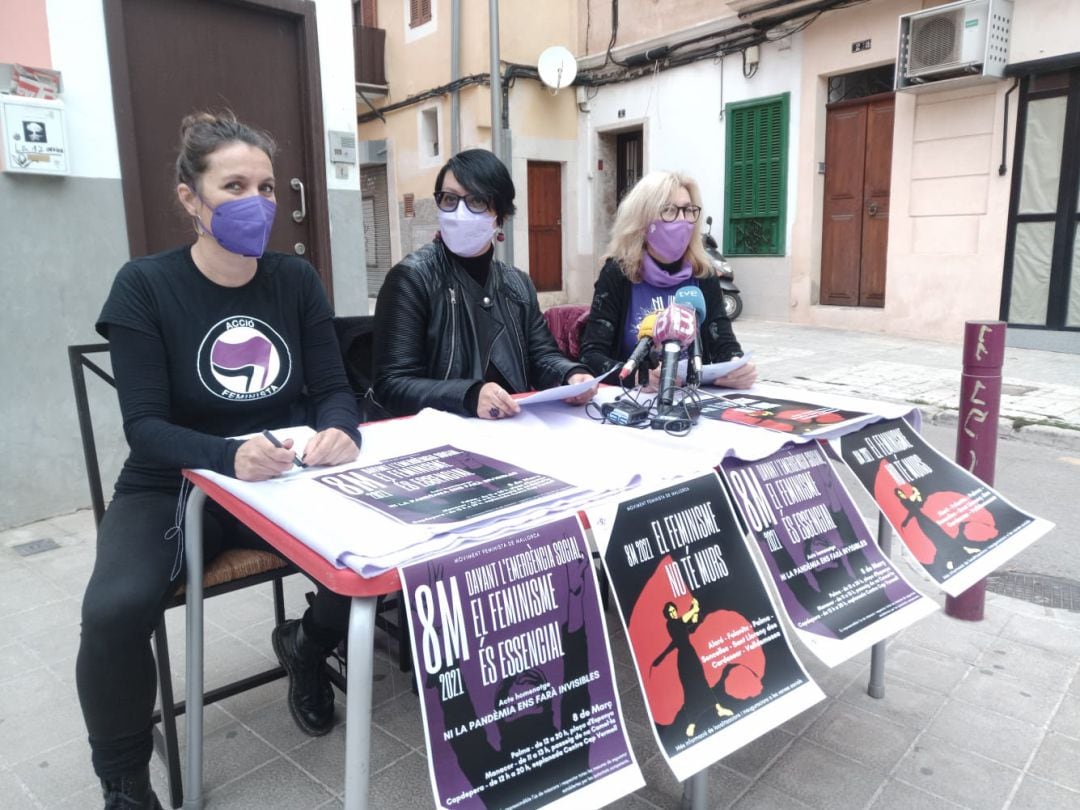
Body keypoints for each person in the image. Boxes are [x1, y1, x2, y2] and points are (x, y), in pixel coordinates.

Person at [76, 112, 361, 809]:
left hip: (284, 475)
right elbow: (143, 426)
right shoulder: (144, 286)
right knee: (114, 610)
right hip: (173, 480)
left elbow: (333, 389)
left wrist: (341, 430)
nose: (255, 203)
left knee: (374, 550)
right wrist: (227, 455)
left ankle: (307, 645)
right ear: (189, 196)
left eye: (265, 187)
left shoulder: (294, 280)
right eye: (233, 185)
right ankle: (124, 781)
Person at [373, 148, 595, 419]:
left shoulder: (517, 283)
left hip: (515, 428)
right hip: (442, 437)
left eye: (477, 200)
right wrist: (468, 395)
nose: (459, 212)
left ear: (501, 216)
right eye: (449, 199)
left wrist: (571, 376)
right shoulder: (412, 278)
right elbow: (392, 384)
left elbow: (541, 356)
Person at [579, 171, 757, 390]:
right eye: (669, 210)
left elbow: (723, 341)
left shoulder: (704, 273)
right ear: (642, 220)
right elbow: (591, 356)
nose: (682, 220)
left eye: (689, 210)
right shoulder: (618, 272)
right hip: (637, 402)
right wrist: (635, 376)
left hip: (692, 398)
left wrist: (735, 365)